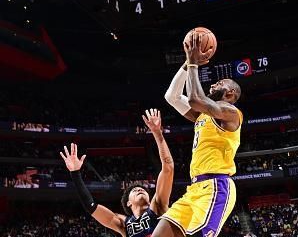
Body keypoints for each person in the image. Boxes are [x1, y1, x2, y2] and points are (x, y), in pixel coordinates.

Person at [155, 33, 242, 237]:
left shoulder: (231, 114)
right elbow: (172, 96)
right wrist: (187, 63)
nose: (213, 84)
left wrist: (194, 64)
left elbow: (195, 99)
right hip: (194, 189)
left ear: (230, 94)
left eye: (220, 83)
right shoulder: (202, 115)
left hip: (216, 187)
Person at [59, 109, 174, 237]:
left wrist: (157, 133)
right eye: (135, 190)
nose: (140, 190)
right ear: (128, 203)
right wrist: (75, 173)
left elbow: (168, 168)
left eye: (142, 189)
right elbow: (92, 207)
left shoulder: (158, 205)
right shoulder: (124, 224)